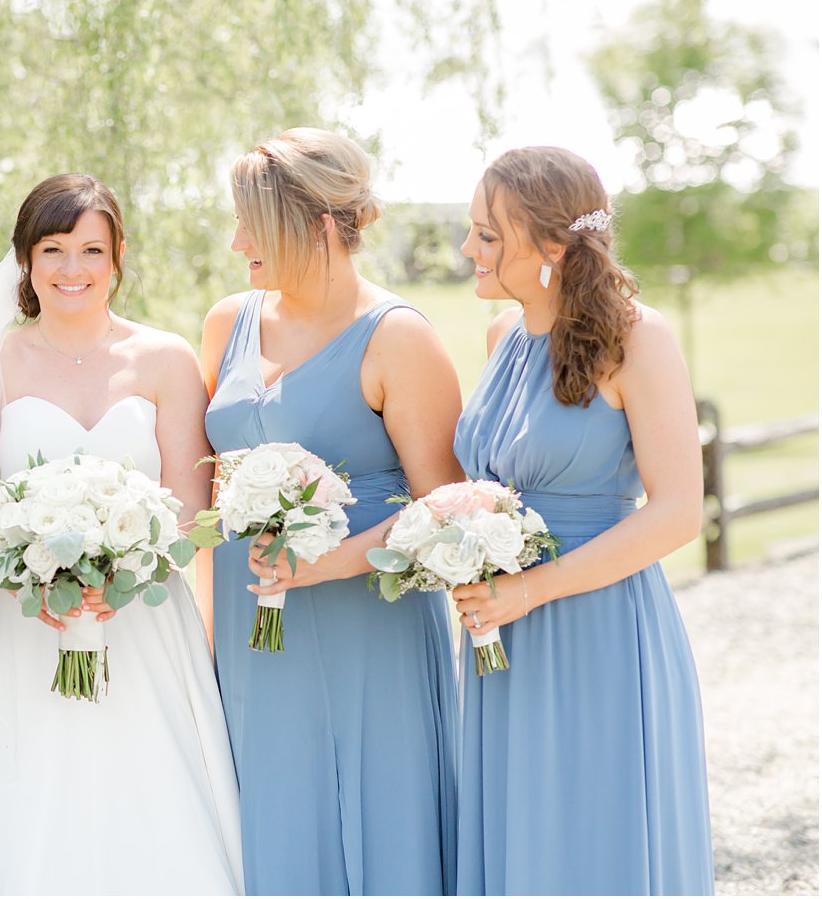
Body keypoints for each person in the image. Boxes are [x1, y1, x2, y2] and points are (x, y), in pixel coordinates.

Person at [0, 174, 243, 894]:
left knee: (147, 803)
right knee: (28, 811)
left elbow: (191, 513)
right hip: (22, 625)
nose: (72, 269)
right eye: (53, 249)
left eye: (90, 250)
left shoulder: (165, 359)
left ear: (117, 258)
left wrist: (123, 577)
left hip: (142, 623)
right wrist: (33, 576)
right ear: (25, 260)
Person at [201, 128, 463, 895]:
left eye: (253, 221)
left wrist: (332, 561)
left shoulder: (398, 337)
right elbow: (208, 487)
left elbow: (449, 507)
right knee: (268, 818)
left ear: (316, 224)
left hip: (366, 631)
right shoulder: (228, 322)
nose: (238, 238)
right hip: (250, 630)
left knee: (376, 820)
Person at [451, 146, 714, 894]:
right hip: (502, 629)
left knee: (594, 834)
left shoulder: (639, 337)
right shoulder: (504, 337)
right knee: (521, 833)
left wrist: (534, 589)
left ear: (554, 247)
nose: (470, 248)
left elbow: (677, 511)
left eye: (489, 235)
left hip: (598, 625)